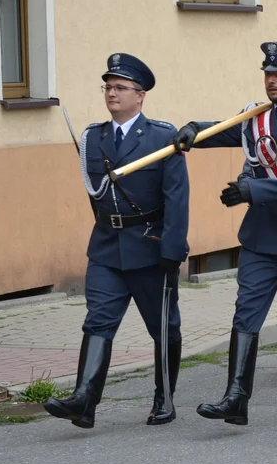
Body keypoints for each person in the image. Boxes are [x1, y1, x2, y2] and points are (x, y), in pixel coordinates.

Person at [171, 42, 277, 426]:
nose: (271, 81)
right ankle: (236, 397)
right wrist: (193, 131)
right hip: (261, 239)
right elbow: (224, 131)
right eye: (267, 74)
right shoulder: (256, 118)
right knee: (246, 314)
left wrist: (254, 190)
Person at [44, 53, 189, 429]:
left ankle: (165, 398)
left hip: (149, 245)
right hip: (107, 246)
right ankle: (84, 401)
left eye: (121, 88)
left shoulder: (163, 137)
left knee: (163, 328)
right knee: (98, 322)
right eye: (108, 87)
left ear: (140, 96)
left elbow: (176, 198)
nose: (112, 93)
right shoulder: (94, 137)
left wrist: (172, 249)